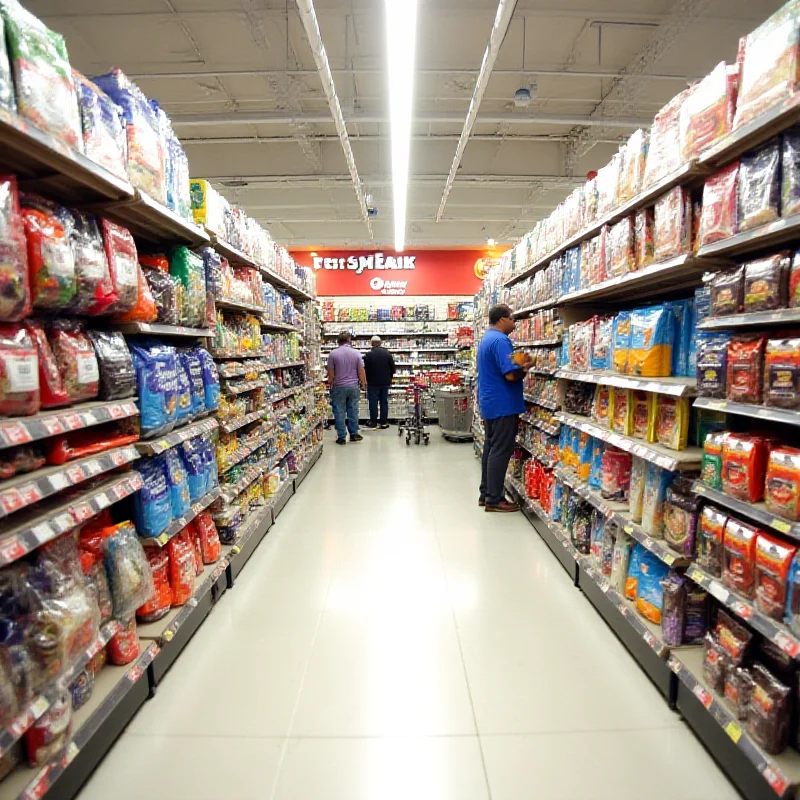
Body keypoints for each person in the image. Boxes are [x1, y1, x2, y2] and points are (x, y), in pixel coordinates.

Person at [477, 303, 533, 512]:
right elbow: (510, 375)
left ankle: (486, 493)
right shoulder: (501, 340)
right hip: (503, 404)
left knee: (491, 449)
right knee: (500, 451)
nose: (514, 323)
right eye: (512, 318)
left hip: (491, 403)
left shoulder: (486, 339)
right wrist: (526, 367)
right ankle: (494, 500)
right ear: (502, 319)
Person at [327, 331, 366, 445]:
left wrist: (330, 384)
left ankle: (342, 436)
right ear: (349, 340)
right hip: (353, 386)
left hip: (338, 387)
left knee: (339, 412)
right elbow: (361, 371)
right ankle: (354, 434)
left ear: (338, 341)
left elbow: (331, 373)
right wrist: (363, 384)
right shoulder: (356, 353)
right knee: (353, 410)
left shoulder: (333, 354)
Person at [363, 335, 396, 430]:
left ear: (372, 343)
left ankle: (373, 422)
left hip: (372, 383)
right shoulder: (387, 354)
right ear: (380, 343)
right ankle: (383, 422)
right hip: (385, 382)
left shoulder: (368, 355)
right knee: (384, 402)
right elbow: (393, 369)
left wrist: (365, 381)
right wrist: (389, 377)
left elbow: (365, 369)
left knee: (373, 403)